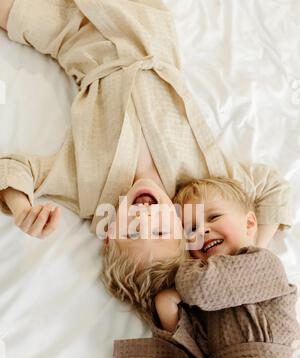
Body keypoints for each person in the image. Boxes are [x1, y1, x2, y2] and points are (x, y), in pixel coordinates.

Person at [0, 1, 292, 311]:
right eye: (161, 228)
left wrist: (21, 209)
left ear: (110, 233)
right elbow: (273, 190)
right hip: (147, 25)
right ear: (181, 228)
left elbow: (15, 169)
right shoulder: (204, 178)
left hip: (74, 37)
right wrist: (252, 257)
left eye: (134, 230)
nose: (145, 216)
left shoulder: (86, 189)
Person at [113, 177, 300, 358]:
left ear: (249, 224)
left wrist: (182, 274)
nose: (202, 231)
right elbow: (195, 349)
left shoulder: (264, 265)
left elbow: (202, 287)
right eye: (190, 229)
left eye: (213, 217)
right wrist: (171, 315)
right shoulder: (204, 300)